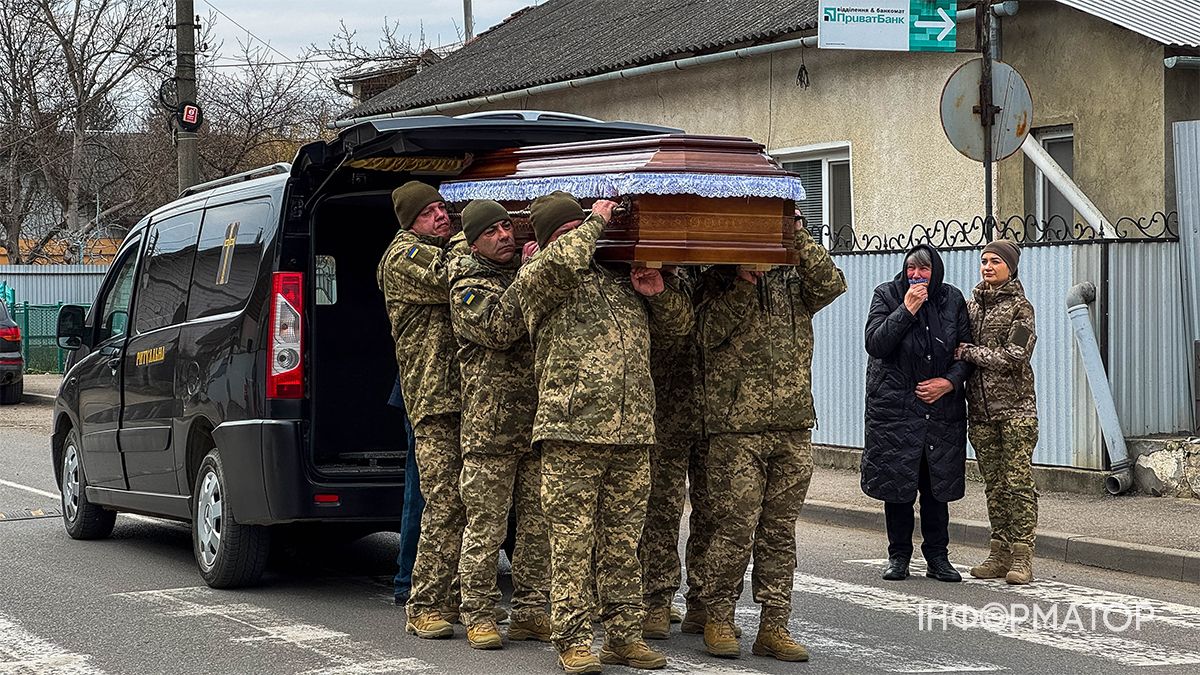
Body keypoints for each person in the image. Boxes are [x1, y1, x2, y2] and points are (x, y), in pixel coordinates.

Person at [511, 191, 693, 674]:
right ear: (549, 239)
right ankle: (572, 640)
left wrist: (657, 292)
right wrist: (593, 222)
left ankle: (623, 637)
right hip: (571, 432)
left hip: (632, 432)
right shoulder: (538, 276)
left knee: (623, 543)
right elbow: (562, 260)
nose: (583, 237)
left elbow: (679, 328)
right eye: (567, 231)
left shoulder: (619, 279)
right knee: (572, 543)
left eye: (582, 228)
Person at [695, 216, 847, 662]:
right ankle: (718, 616)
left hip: (792, 423)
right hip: (736, 428)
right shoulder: (717, 278)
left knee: (780, 532)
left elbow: (832, 283)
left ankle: (774, 625)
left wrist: (796, 233)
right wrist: (743, 282)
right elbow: (705, 334)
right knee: (734, 528)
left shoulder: (794, 277)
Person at [448, 199, 551, 649]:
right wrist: (529, 274)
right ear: (474, 244)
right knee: (486, 526)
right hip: (490, 428)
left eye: (507, 226)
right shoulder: (467, 286)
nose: (504, 235)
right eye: (491, 232)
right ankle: (478, 612)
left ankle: (530, 610)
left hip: (536, 422)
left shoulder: (520, 275)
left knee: (537, 525)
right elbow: (499, 328)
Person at [377, 181, 465, 639]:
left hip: (459, 393)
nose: (442, 216)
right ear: (410, 222)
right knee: (434, 496)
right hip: (431, 396)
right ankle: (413, 586)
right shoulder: (404, 256)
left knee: (450, 496)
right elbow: (450, 277)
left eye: (443, 208)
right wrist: (477, 233)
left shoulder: (442, 249)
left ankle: (446, 591)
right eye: (429, 212)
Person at [861, 244, 973, 584]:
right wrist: (906, 310)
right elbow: (876, 344)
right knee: (898, 486)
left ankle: (938, 557)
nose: (917, 275)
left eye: (924, 270)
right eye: (911, 268)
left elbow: (965, 353)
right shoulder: (887, 295)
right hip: (895, 411)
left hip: (940, 409)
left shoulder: (952, 299)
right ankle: (898, 556)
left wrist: (948, 383)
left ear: (935, 272)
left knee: (936, 486)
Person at [954, 240, 1039, 585]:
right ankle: (999, 553)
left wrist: (971, 353)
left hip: (1016, 411)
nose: (987, 267)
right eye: (984, 261)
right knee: (994, 486)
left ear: (1010, 267)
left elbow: (1015, 356)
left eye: (995, 262)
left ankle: (1022, 557)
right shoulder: (972, 306)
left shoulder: (1021, 308)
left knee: (1018, 484)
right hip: (981, 413)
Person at [638, 267, 701, 640]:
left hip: (715, 407)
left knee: (713, 514)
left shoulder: (714, 274)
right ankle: (655, 600)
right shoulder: (652, 271)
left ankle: (705, 603)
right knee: (661, 510)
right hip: (664, 408)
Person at [389, 376, 423, 606]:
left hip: (432, 400)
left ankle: (408, 579)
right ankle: (407, 580)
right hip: (426, 402)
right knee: (419, 495)